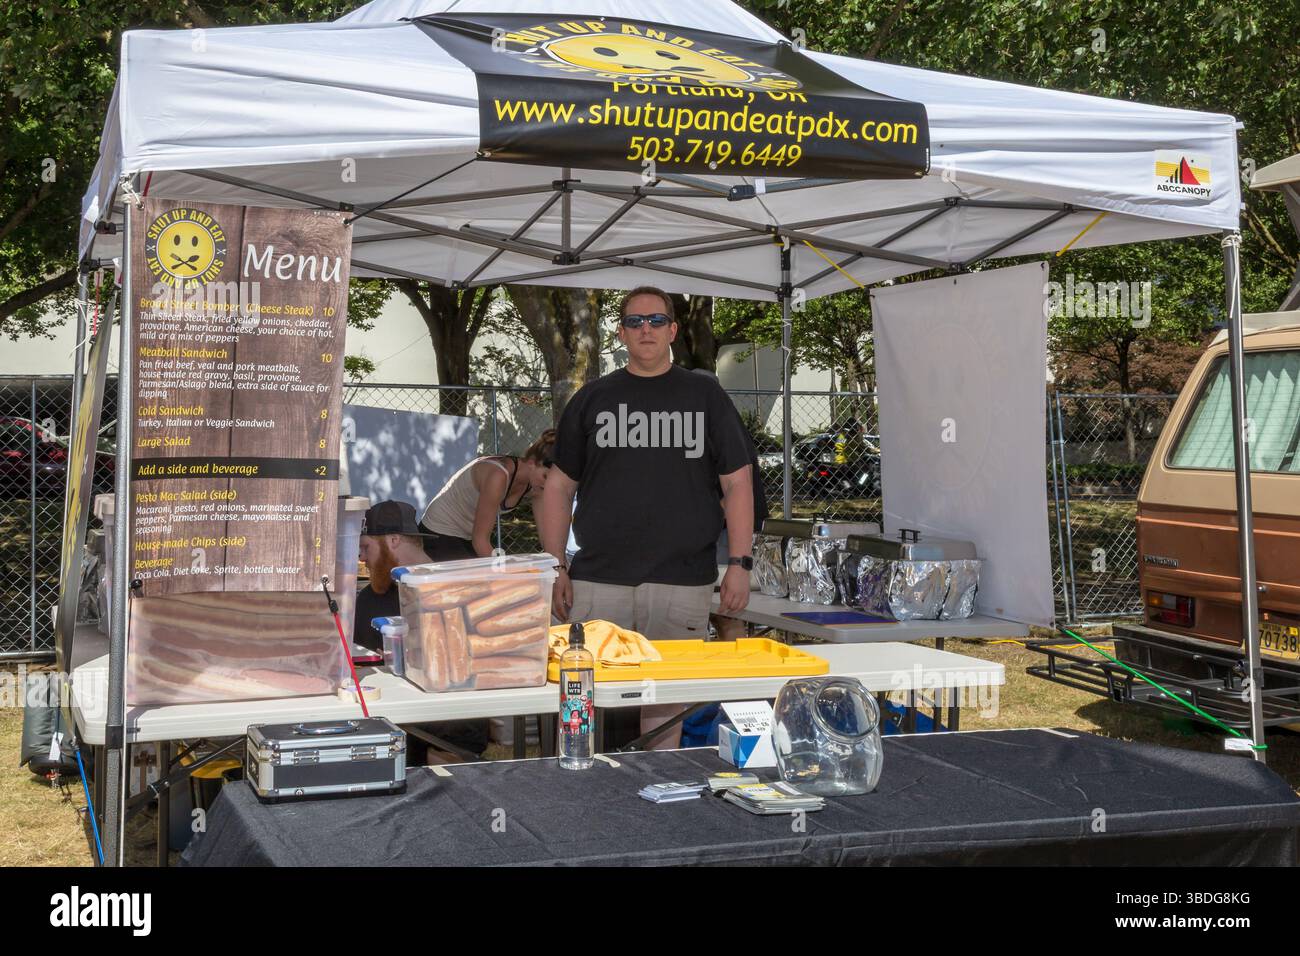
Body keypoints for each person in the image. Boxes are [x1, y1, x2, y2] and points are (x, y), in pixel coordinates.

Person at [538, 286, 755, 749]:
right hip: (599, 580)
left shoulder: (705, 396)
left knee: (664, 705)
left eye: (656, 321)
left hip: (681, 581)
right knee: (585, 699)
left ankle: (658, 797)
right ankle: (588, 791)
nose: (646, 330)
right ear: (620, 333)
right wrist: (555, 565)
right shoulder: (592, 398)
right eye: (635, 322)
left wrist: (740, 563)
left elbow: (738, 483)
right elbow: (557, 487)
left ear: (673, 329)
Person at [353, 499, 487, 762]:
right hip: (389, 721)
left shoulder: (452, 587)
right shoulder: (369, 598)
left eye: (366, 546)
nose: (361, 557)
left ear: (393, 540)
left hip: (447, 726)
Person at [419, 430, 556, 560]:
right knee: (476, 581)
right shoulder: (498, 475)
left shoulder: (537, 486)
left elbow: (546, 537)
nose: (548, 485)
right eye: (545, 476)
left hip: (466, 537)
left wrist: (559, 564)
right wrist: (505, 573)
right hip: (438, 532)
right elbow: (480, 541)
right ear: (532, 463)